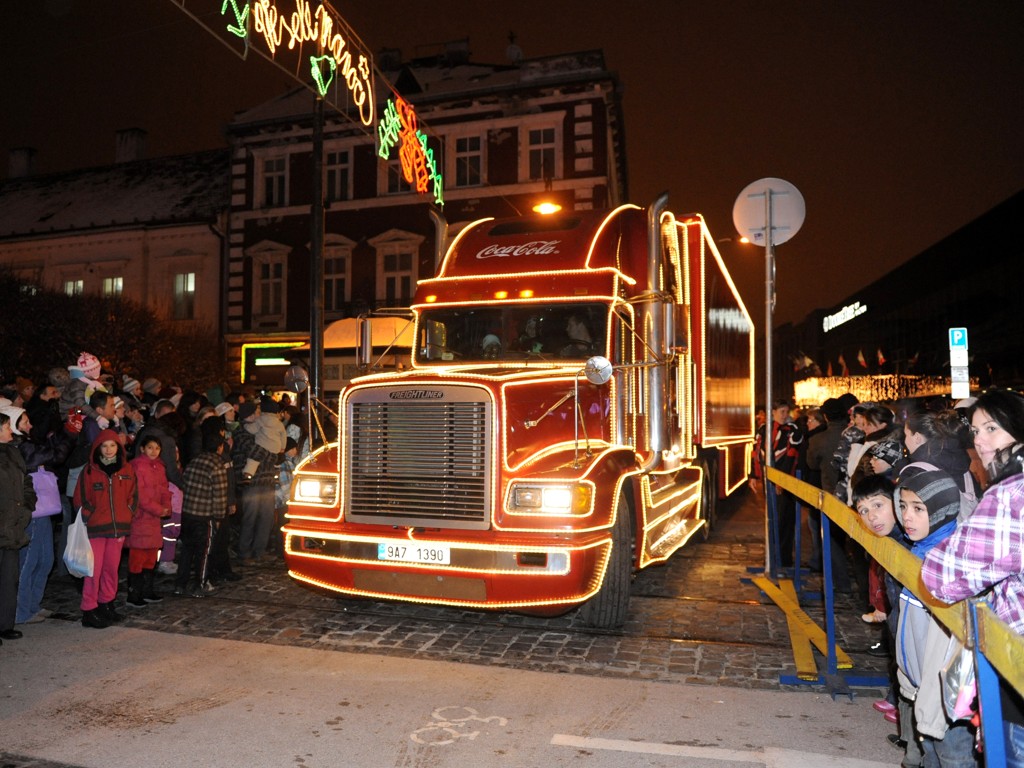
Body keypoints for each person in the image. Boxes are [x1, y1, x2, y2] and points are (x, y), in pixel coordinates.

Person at [922, 389, 1024, 766]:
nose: (979, 440)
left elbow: (941, 576)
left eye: (992, 429)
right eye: (976, 430)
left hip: (1017, 671)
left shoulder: (1011, 494)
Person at [894, 466, 979, 766]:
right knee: (931, 754)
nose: (907, 516)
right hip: (924, 686)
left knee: (952, 757)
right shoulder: (916, 552)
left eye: (919, 508)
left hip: (948, 697)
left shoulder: (950, 563)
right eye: (903, 506)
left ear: (942, 510)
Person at [851, 473, 918, 762]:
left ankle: (916, 752)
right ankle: (910, 745)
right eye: (863, 511)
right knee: (905, 676)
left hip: (915, 631)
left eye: (877, 506)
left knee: (916, 683)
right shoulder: (890, 540)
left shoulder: (908, 540)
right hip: (900, 627)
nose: (871, 516)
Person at [73, 428, 138, 629]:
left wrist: (128, 512)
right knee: (94, 570)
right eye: (104, 446)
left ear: (118, 448)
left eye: (112, 445)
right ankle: (89, 609)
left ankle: (106, 604)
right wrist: (88, 514)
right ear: (98, 448)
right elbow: (80, 498)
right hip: (96, 529)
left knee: (111, 569)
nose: (109, 450)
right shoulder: (89, 471)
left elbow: (133, 496)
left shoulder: (127, 470)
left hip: (118, 527)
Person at [174, 419, 230, 598]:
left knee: (187, 551)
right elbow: (220, 495)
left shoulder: (194, 460)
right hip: (205, 516)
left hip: (188, 513)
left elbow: (184, 483)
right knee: (204, 552)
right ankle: (201, 584)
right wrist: (219, 519)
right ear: (219, 447)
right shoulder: (217, 465)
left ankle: (180, 584)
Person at [806, 397, 855, 591]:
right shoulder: (855, 435)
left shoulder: (819, 440)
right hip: (855, 495)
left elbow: (811, 464)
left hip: (832, 494)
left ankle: (841, 583)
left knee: (833, 540)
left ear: (825, 416)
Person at [750, 400, 803, 568]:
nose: (784, 414)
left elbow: (792, 456)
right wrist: (753, 475)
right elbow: (756, 452)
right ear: (772, 411)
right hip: (769, 480)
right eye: (781, 411)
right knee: (772, 517)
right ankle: (772, 556)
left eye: (786, 411)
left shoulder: (793, 431)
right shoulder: (763, 429)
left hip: (785, 480)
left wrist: (783, 480)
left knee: (785, 519)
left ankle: (784, 559)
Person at [0, 412, 35, 644]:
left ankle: (4, 624)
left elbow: (26, 482)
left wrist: (27, 507)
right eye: (6, 427)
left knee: (8, 578)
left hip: (12, 525)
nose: (10, 430)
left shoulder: (13, 452)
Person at [126, 435, 172, 607]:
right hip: (141, 517)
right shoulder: (137, 466)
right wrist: (160, 510)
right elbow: (141, 496)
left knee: (151, 556)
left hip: (154, 519)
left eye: (157, 448)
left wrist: (166, 506)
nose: (154, 451)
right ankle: (134, 594)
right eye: (150, 447)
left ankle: (147, 591)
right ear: (142, 449)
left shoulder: (159, 467)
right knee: (137, 556)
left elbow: (164, 489)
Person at [232, 401, 279, 565]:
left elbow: (276, 450)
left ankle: (260, 550)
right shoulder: (240, 431)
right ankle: (244, 553)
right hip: (250, 481)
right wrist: (272, 453)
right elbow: (255, 451)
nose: (259, 414)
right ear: (250, 414)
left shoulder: (263, 428)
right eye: (256, 411)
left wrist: (273, 452)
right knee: (250, 517)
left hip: (266, 479)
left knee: (266, 517)